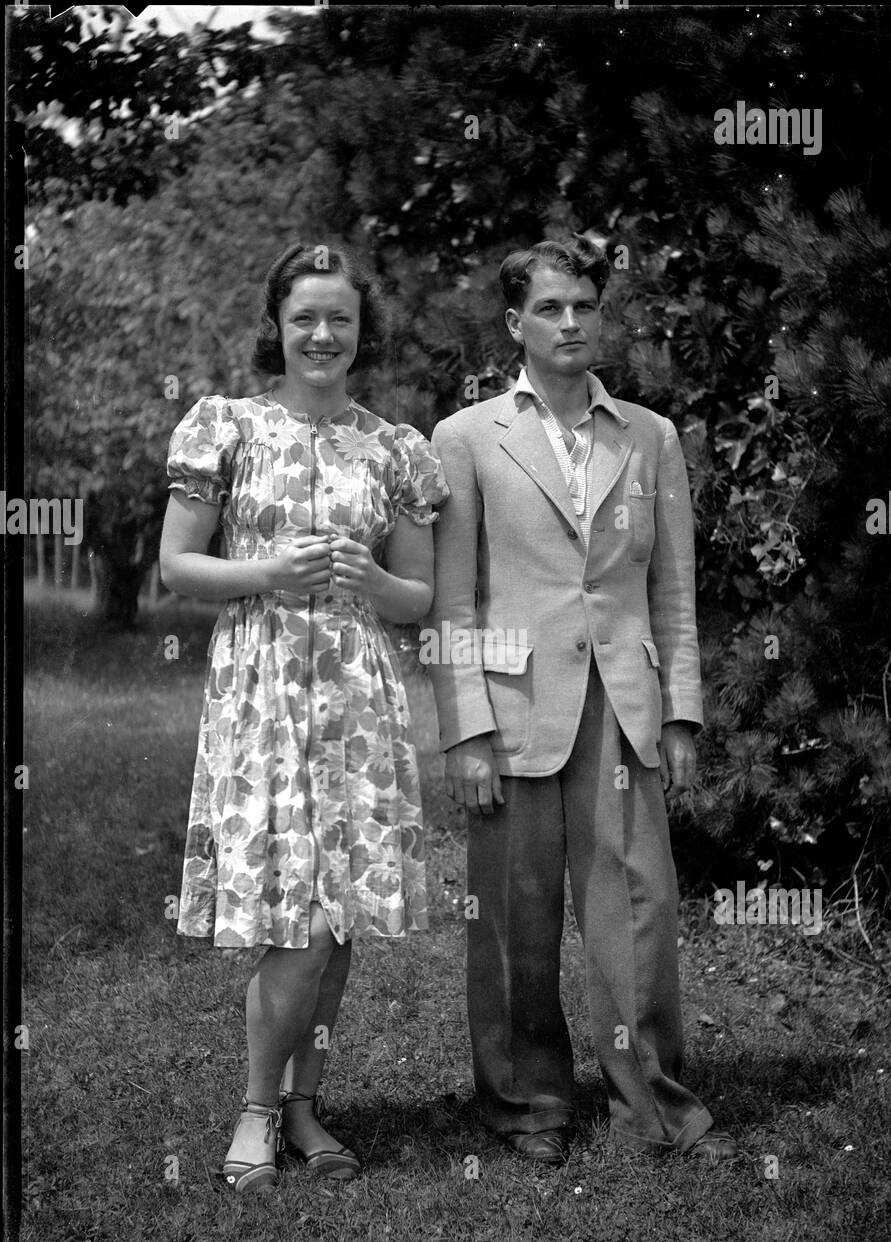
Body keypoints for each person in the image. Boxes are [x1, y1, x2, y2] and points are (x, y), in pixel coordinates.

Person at [425, 235, 737, 1164]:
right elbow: (452, 600)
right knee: (515, 916)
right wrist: (467, 732)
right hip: (514, 708)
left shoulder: (649, 435)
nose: (571, 323)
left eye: (586, 307)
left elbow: (674, 587)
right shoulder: (466, 438)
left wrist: (680, 709)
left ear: (604, 317)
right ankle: (528, 1104)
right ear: (515, 323)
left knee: (636, 909)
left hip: (624, 706)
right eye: (551, 308)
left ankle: (657, 1104)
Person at [159, 241, 448, 1192]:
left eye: (342, 320)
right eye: (305, 318)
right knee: (295, 924)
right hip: (265, 691)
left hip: (359, 701)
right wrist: (268, 574)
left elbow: (421, 598)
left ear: (363, 334)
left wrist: (376, 580)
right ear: (277, 328)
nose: (323, 335)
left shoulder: (397, 448)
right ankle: (253, 1111)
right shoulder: (228, 426)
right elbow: (176, 567)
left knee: (340, 918)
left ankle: (305, 1107)